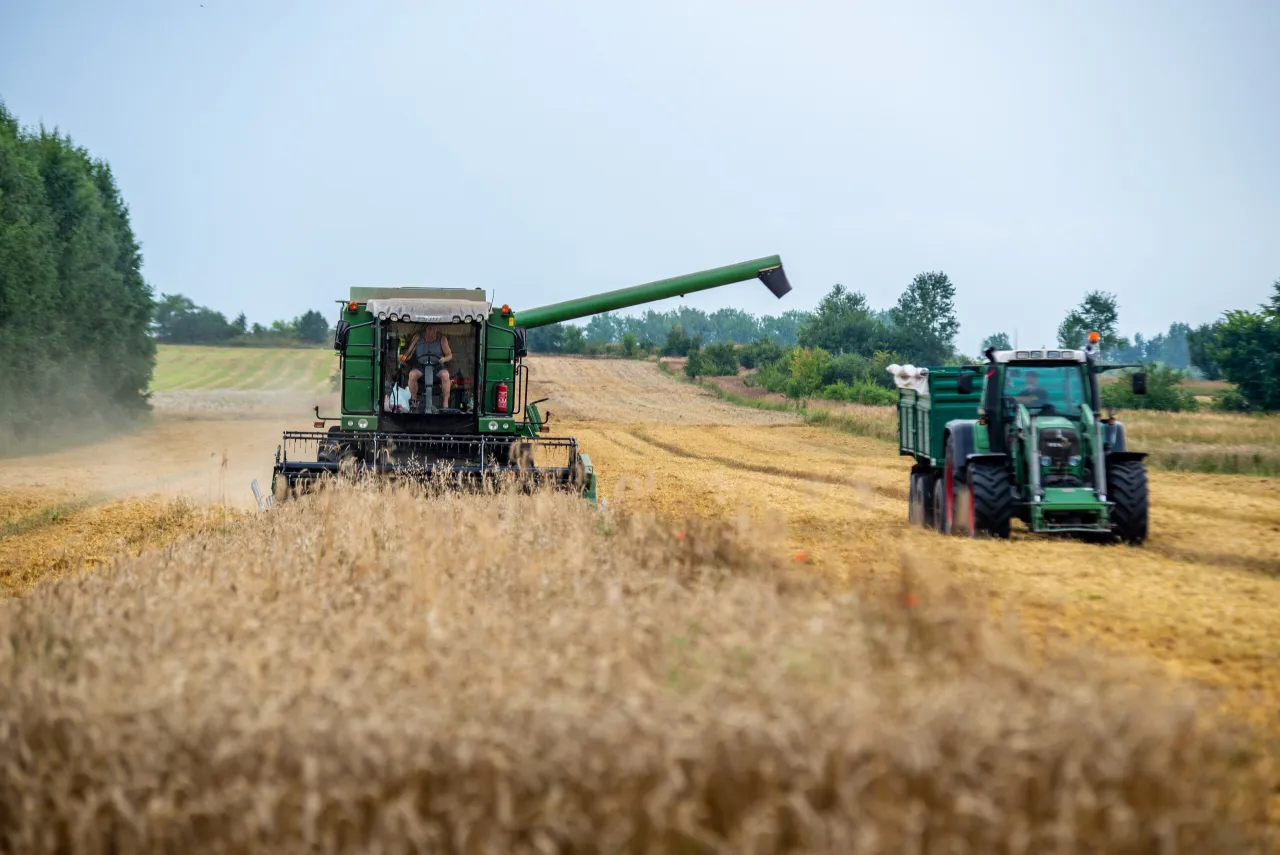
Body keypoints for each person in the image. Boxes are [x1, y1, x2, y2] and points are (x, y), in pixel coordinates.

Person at [401, 325, 452, 411]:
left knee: (445, 375)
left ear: (436, 329)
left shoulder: (442, 339)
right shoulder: (418, 337)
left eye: (434, 329)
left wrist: (444, 359)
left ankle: (445, 404)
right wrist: (404, 358)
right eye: (429, 329)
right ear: (425, 329)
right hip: (421, 366)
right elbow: (409, 352)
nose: (432, 331)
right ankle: (414, 402)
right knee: (412, 374)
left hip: (437, 366)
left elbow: (449, 355)